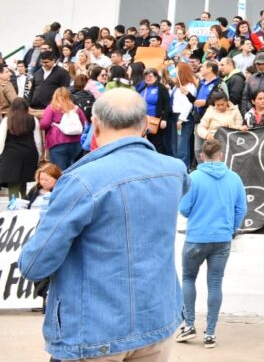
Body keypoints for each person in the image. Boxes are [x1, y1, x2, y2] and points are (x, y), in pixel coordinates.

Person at [19, 89, 190, 362]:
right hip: (157, 319)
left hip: (95, 330)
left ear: (95, 124)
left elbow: (34, 263)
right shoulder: (173, 169)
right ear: (146, 124)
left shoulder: (81, 180)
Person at [175, 138, 246, 349]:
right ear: (221, 155)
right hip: (222, 238)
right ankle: (210, 333)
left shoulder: (194, 177)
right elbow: (241, 208)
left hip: (196, 237)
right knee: (215, 284)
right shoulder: (234, 178)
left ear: (202, 156)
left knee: (188, 279)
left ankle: (189, 325)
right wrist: (231, 228)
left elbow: (184, 209)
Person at [38, 86, 87, 172]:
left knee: (59, 171)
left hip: (57, 142)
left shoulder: (51, 108)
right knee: (73, 169)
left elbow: (44, 124)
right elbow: (83, 123)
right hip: (76, 143)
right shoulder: (76, 108)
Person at [0, 97, 41, 198]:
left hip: (11, 155)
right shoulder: (33, 119)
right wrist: (39, 156)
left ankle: (14, 204)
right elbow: (38, 141)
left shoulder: (7, 120)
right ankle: (24, 199)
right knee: (24, 179)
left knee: (13, 181)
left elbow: (1, 140)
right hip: (29, 153)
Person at [196, 91, 243, 158]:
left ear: (227, 101)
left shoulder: (235, 110)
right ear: (214, 104)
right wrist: (207, 135)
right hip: (213, 144)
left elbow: (239, 126)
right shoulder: (210, 111)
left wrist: (229, 126)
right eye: (218, 105)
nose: (221, 107)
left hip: (231, 144)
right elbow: (201, 127)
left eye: (222, 104)